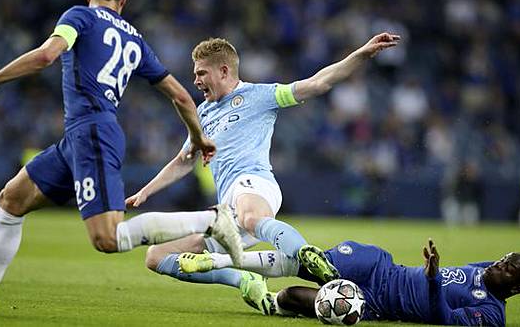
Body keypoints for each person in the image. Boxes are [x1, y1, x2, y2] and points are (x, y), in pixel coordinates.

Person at [0, 0, 243, 316]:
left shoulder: (81, 16)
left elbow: (48, 54)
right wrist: (198, 138)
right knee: (11, 199)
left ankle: (211, 220)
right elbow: (182, 97)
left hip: (92, 132)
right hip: (79, 137)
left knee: (107, 239)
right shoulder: (135, 39)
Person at [124, 33, 401, 314]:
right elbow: (184, 160)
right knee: (157, 256)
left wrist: (363, 53)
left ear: (224, 70)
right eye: (194, 73)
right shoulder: (203, 112)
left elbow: (319, 82)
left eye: (201, 73)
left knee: (251, 217)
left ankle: (306, 254)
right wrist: (146, 191)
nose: (195, 80)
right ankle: (244, 281)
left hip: (254, 183)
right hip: (225, 210)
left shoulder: (260, 95)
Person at [181, 239, 520, 326]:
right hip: (384, 268)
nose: (499, 264)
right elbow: (502, 270)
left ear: (513, 289)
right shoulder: (487, 272)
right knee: (314, 263)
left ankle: (267, 300)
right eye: (506, 259)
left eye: (508, 269)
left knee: (296, 296)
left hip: (376, 302)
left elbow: (445, 318)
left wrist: (430, 280)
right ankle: (222, 259)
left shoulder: (491, 314)